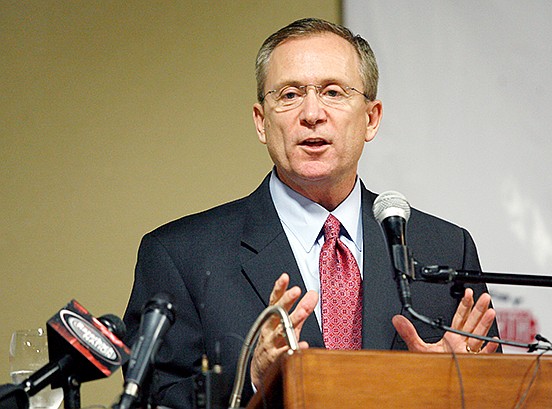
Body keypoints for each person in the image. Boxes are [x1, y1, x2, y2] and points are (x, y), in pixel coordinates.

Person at [123, 17, 500, 408]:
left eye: (333, 92)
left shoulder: (444, 248)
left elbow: (503, 394)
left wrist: (453, 385)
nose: (312, 113)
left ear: (371, 118)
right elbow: (151, 399)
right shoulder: (179, 255)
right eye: (289, 95)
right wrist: (250, 381)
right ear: (261, 122)